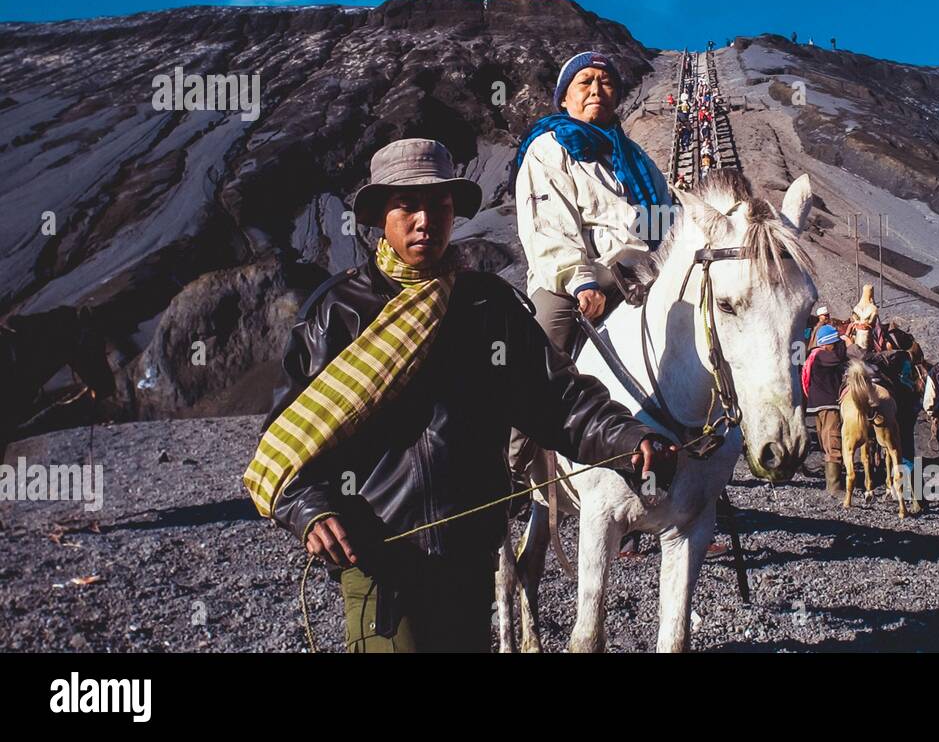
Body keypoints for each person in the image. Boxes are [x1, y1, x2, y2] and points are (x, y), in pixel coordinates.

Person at [246, 138, 677, 652]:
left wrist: (628, 438)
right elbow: (289, 439)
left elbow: (557, 400)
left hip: (470, 556)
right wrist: (309, 509)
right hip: (379, 563)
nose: (424, 219)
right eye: (407, 205)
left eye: (439, 205)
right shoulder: (337, 314)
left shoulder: (486, 305)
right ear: (380, 215)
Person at [511, 51, 672, 480]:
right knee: (542, 354)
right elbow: (548, 226)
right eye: (585, 82)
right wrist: (581, 281)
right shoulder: (548, 149)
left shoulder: (636, 160)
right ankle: (508, 468)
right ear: (564, 98)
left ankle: (695, 478)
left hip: (642, 273)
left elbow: (667, 219)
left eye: (605, 82)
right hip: (573, 276)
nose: (597, 89)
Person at [802, 324, 849, 497]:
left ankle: (832, 482)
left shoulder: (814, 355)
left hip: (818, 405)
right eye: (834, 343)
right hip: (829, 404)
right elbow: (840, 357)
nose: (836, 345)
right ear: (827, 343)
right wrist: (847, 343)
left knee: (826, 441)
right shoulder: (822, 355)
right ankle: (834, 487)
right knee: (833, 441)